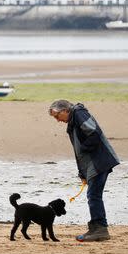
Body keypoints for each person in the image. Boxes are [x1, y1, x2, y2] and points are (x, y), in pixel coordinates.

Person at [49, 99, 120, 242]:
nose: (57, 120)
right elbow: (79, 153)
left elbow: (94, 133)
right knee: (93, 195)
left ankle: (100, 229)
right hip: (93, 164)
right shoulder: (73, 119)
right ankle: (95, 228)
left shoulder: (79, 113)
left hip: (100, 161)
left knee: (93, 196)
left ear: (64, 110)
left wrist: (84, 148)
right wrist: (82, 173)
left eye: (57, 116)